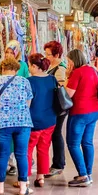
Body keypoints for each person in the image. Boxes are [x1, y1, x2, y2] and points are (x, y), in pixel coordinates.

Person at [0, 56, 33, 195]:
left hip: (2, 123)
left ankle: (0, 188)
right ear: (16, 69)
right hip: (22, 123)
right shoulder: (24, 82)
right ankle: (22, 188)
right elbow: (28, 104)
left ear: (2, 68)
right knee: (21, 154)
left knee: (3, 155)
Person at [65, 49, 98, 187]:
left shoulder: (77, 72)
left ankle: (82, 175)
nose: (68, 64)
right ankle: (88, 173)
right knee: (87, 142)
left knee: (73, 144)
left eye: (69, 61)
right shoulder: (92, 70)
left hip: (80, 112)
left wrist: (67, 77)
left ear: (74, 60)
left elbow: (69, 94)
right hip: (94, 110)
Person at [27, 53, 57, 187]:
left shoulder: (29, 81)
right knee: (43, 149)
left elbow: (27, 103)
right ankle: (41, 177)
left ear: (34, 66)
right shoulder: (52, 79)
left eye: (29, 66)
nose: (29, 69)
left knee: (27, 149)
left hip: (33, 121)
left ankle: (25, 177)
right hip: (50, 119)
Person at [43, 41, 67, 177]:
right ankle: (57, 163)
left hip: (58, 107)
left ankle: (58, 164)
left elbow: (60, 90)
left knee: (56, 133)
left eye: (49, 54)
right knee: (54, 133)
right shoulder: (52, 65)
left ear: (57, 54)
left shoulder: (60, 69)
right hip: (52, 106)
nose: (46, 57)